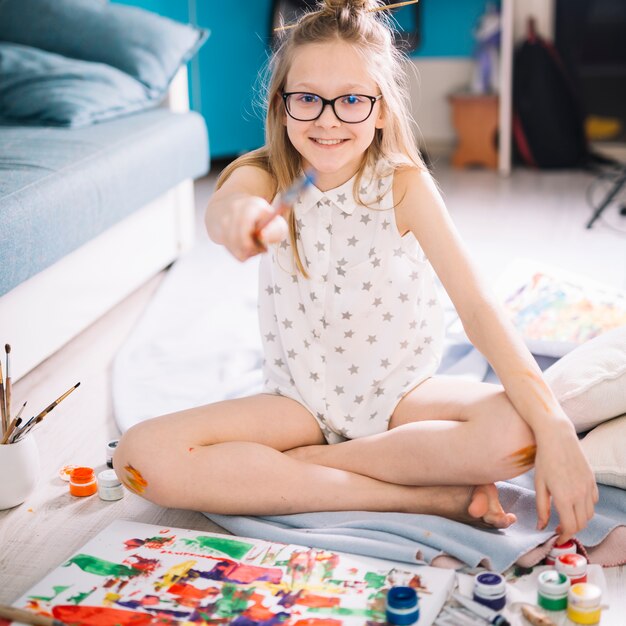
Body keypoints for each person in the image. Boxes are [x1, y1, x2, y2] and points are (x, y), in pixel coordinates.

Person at [113, 0, 597, 541]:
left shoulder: (404, 185)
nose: (327, 119)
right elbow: (227, 208)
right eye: (307, 100)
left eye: (351, 100)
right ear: (280, 105)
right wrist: (242, 219)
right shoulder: (264, 174)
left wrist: (555, 426)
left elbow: (477, 306)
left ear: (382, 109)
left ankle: (304, 469)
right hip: (297, 405)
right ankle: (419, 497)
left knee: (517, 433)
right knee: (140, 456)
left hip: (403, 398)